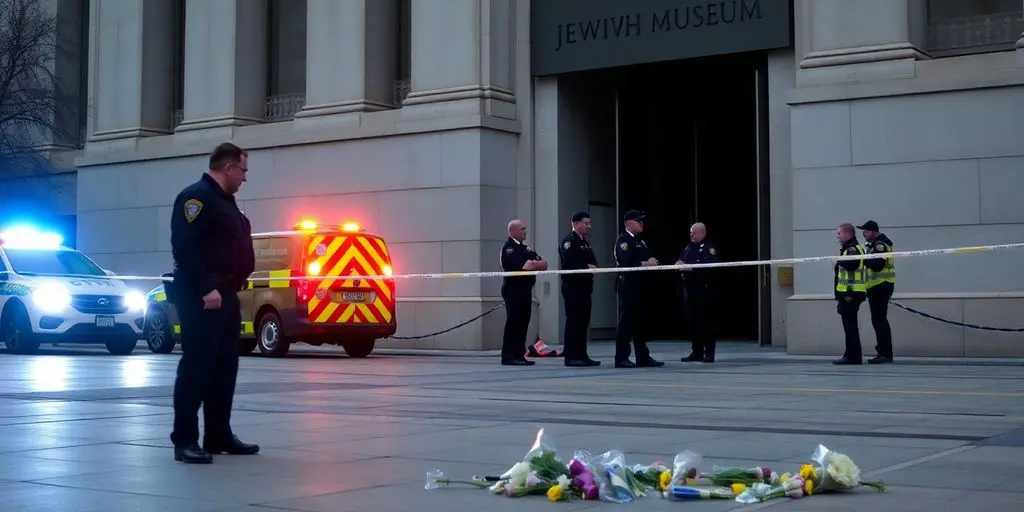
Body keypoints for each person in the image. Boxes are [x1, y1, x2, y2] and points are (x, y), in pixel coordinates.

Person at [169, 142, 259, 463]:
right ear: (228, 168)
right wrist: (206, 288)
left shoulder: (226, 202)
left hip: (226, 294)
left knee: (224, 368)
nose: (245, 178)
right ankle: (185, 440)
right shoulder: (196, 199)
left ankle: (218, 434)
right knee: (197, 367)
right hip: (203, 297)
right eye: (243, 170)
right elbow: (184, 247)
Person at [612, 210, 665, 368]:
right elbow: (626, 261)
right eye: (638, 221)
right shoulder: (624, 240)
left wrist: (650, 261)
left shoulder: (640, 241)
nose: (642, 223)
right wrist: (645, 263)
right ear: (629, 223)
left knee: (641, 323)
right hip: (628, 285)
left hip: (641, 285)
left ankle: (643, 356)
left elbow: (645, 257)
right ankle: (621, 357)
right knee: (626, 323)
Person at [500, 219, 547, 366]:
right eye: (522, 229)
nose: (525, 231)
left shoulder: (525, 248)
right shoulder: (509, 248)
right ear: (512, 231)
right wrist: (533, 264)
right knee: (514, 323)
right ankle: (509, 356)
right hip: (514, 289)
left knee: (523, 323)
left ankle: (519, 355)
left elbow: (543, 263)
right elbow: (526, 266)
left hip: (525, 289)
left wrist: (535, 264)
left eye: (525, 228)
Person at [558, 212, 600, 367]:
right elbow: (571, 263)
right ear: (576, 224)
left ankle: (582, 355)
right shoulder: (569, 241)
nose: (589, 226)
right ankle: (572, 356)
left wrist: (589, 266)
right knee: (574, 321)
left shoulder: (585, 242)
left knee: (583, 322)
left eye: (590, 223)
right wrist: (586, 266)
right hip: (573, 287)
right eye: (586, 223)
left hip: (585, 287)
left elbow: (593, 262)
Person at [677, 222, 718, 363]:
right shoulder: (688, 247)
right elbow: (681, 261)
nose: (691, 235)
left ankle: (708, 353)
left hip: (703, 289)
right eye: (690, 233)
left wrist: (690, 268)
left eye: (694, 233)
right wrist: (678, 265)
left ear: (702, 232)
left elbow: (709, 266)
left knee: (706, 322)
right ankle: (696, 351)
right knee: (693, 322)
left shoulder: (708, 247)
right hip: (689, 289)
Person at [858, 220, 896, 364]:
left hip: (880, 286)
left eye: (866, 231)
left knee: (879, 321)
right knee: (879, 320)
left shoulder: (880, 244)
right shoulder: (876, 244)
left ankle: (885, 353)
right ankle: (883, 351)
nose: (864, 234)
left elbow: (878, 265)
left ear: (873, 231)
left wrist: (864, 258)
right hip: (878, 286)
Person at [833, 223, 867, 365]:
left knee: (850, 327)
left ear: (848, 234)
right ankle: (851, 354)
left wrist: (840, 261)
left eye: (839, 233)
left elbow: (852, 265)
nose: (837, 236)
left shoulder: (852, 249)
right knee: (850, 326)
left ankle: (852, 356)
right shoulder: (851, 248)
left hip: (850, 293)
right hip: (850, 293)